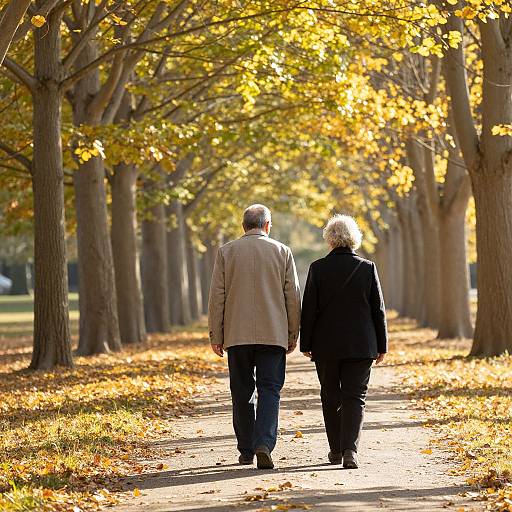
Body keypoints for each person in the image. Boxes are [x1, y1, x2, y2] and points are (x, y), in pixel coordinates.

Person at [208, 204, 301, 469]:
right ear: (267, 225)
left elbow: (217, 295)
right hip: (273, 334)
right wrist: (292, 333)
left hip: (236, 334)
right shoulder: (282, 252)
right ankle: (264, 442)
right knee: (270, 389)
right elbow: (292, 296)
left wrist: (217, 333)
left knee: (241, 390)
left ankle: (246, 449)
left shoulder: (226, 252)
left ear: (243, 226)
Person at [300, 214, 388, 469]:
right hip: (361, 344)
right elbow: (377, 309)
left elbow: (310, 309)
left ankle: (335, 449)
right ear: (354, 239)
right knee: (355, 396)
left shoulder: (318, 268)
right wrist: (382, 346)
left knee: (330, 395)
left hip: (326, 345)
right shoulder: (367, 268)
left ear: (329, 239)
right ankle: (351, 450)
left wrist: (306, 344)